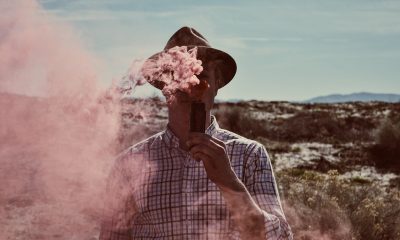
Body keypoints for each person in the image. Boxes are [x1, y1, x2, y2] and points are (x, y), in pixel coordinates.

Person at [99, 26, 293, 240]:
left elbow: (280, 237)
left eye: (200, 75)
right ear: (164, 85)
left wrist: (228, 181)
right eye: (177, 75)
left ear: (217, 83)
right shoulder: (128, 165)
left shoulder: (249, 155)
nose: (190, 86)